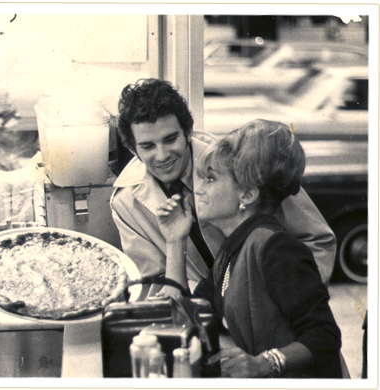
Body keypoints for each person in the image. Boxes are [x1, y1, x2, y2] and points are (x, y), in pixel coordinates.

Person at [110, 78, 336, 295]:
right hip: (202, 314)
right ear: (133, 149)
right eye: (148, 146)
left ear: (188, 132)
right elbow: (154, 283)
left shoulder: (240, 158)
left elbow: (317, 240)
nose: (162, 156)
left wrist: (282, 302)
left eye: (170, 139)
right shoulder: (125, 201)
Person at [156, 119, 343, 378]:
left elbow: (325, 336)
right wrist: (175, 240)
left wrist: (263, 363)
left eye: (210, 178)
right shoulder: (233, 248)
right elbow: (189, 314)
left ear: (246, 195)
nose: (199, 190)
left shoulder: (274, 247)